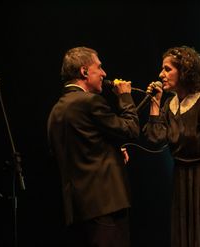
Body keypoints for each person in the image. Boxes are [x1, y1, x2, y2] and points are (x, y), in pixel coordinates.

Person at [143, 46, 200, 247]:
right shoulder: (170, 105)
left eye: (167, 69)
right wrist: (155, 103)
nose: (161, 75)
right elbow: (155, 138)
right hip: (181, 179)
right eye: (162, 69)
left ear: (184, 71)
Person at [47, 46, 139, 247]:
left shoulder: (56, 111)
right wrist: (125, 97)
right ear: (84, 71)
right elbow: (131, 129)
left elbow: (78, 150)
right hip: (106, 206)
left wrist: (112, 149)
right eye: (99, 67)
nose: (104, 73)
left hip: (77, 210)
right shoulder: (90, 102)